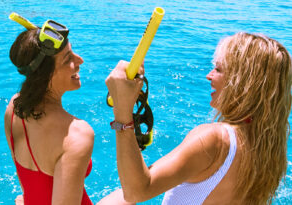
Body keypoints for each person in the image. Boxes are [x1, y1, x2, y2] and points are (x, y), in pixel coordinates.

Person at [101, 32, 291, 204]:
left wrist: (123, 111)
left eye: (219, 69)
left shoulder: (214, 140)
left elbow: (136, 192)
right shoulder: (269, 147)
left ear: (243, 83)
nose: (209, 76)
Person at [4, 20, 94, 205]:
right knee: (130, 195)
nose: (79, 60)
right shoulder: (76, 134)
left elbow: (27, 183)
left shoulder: (14, 108)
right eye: (68, 59)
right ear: (45, 74)